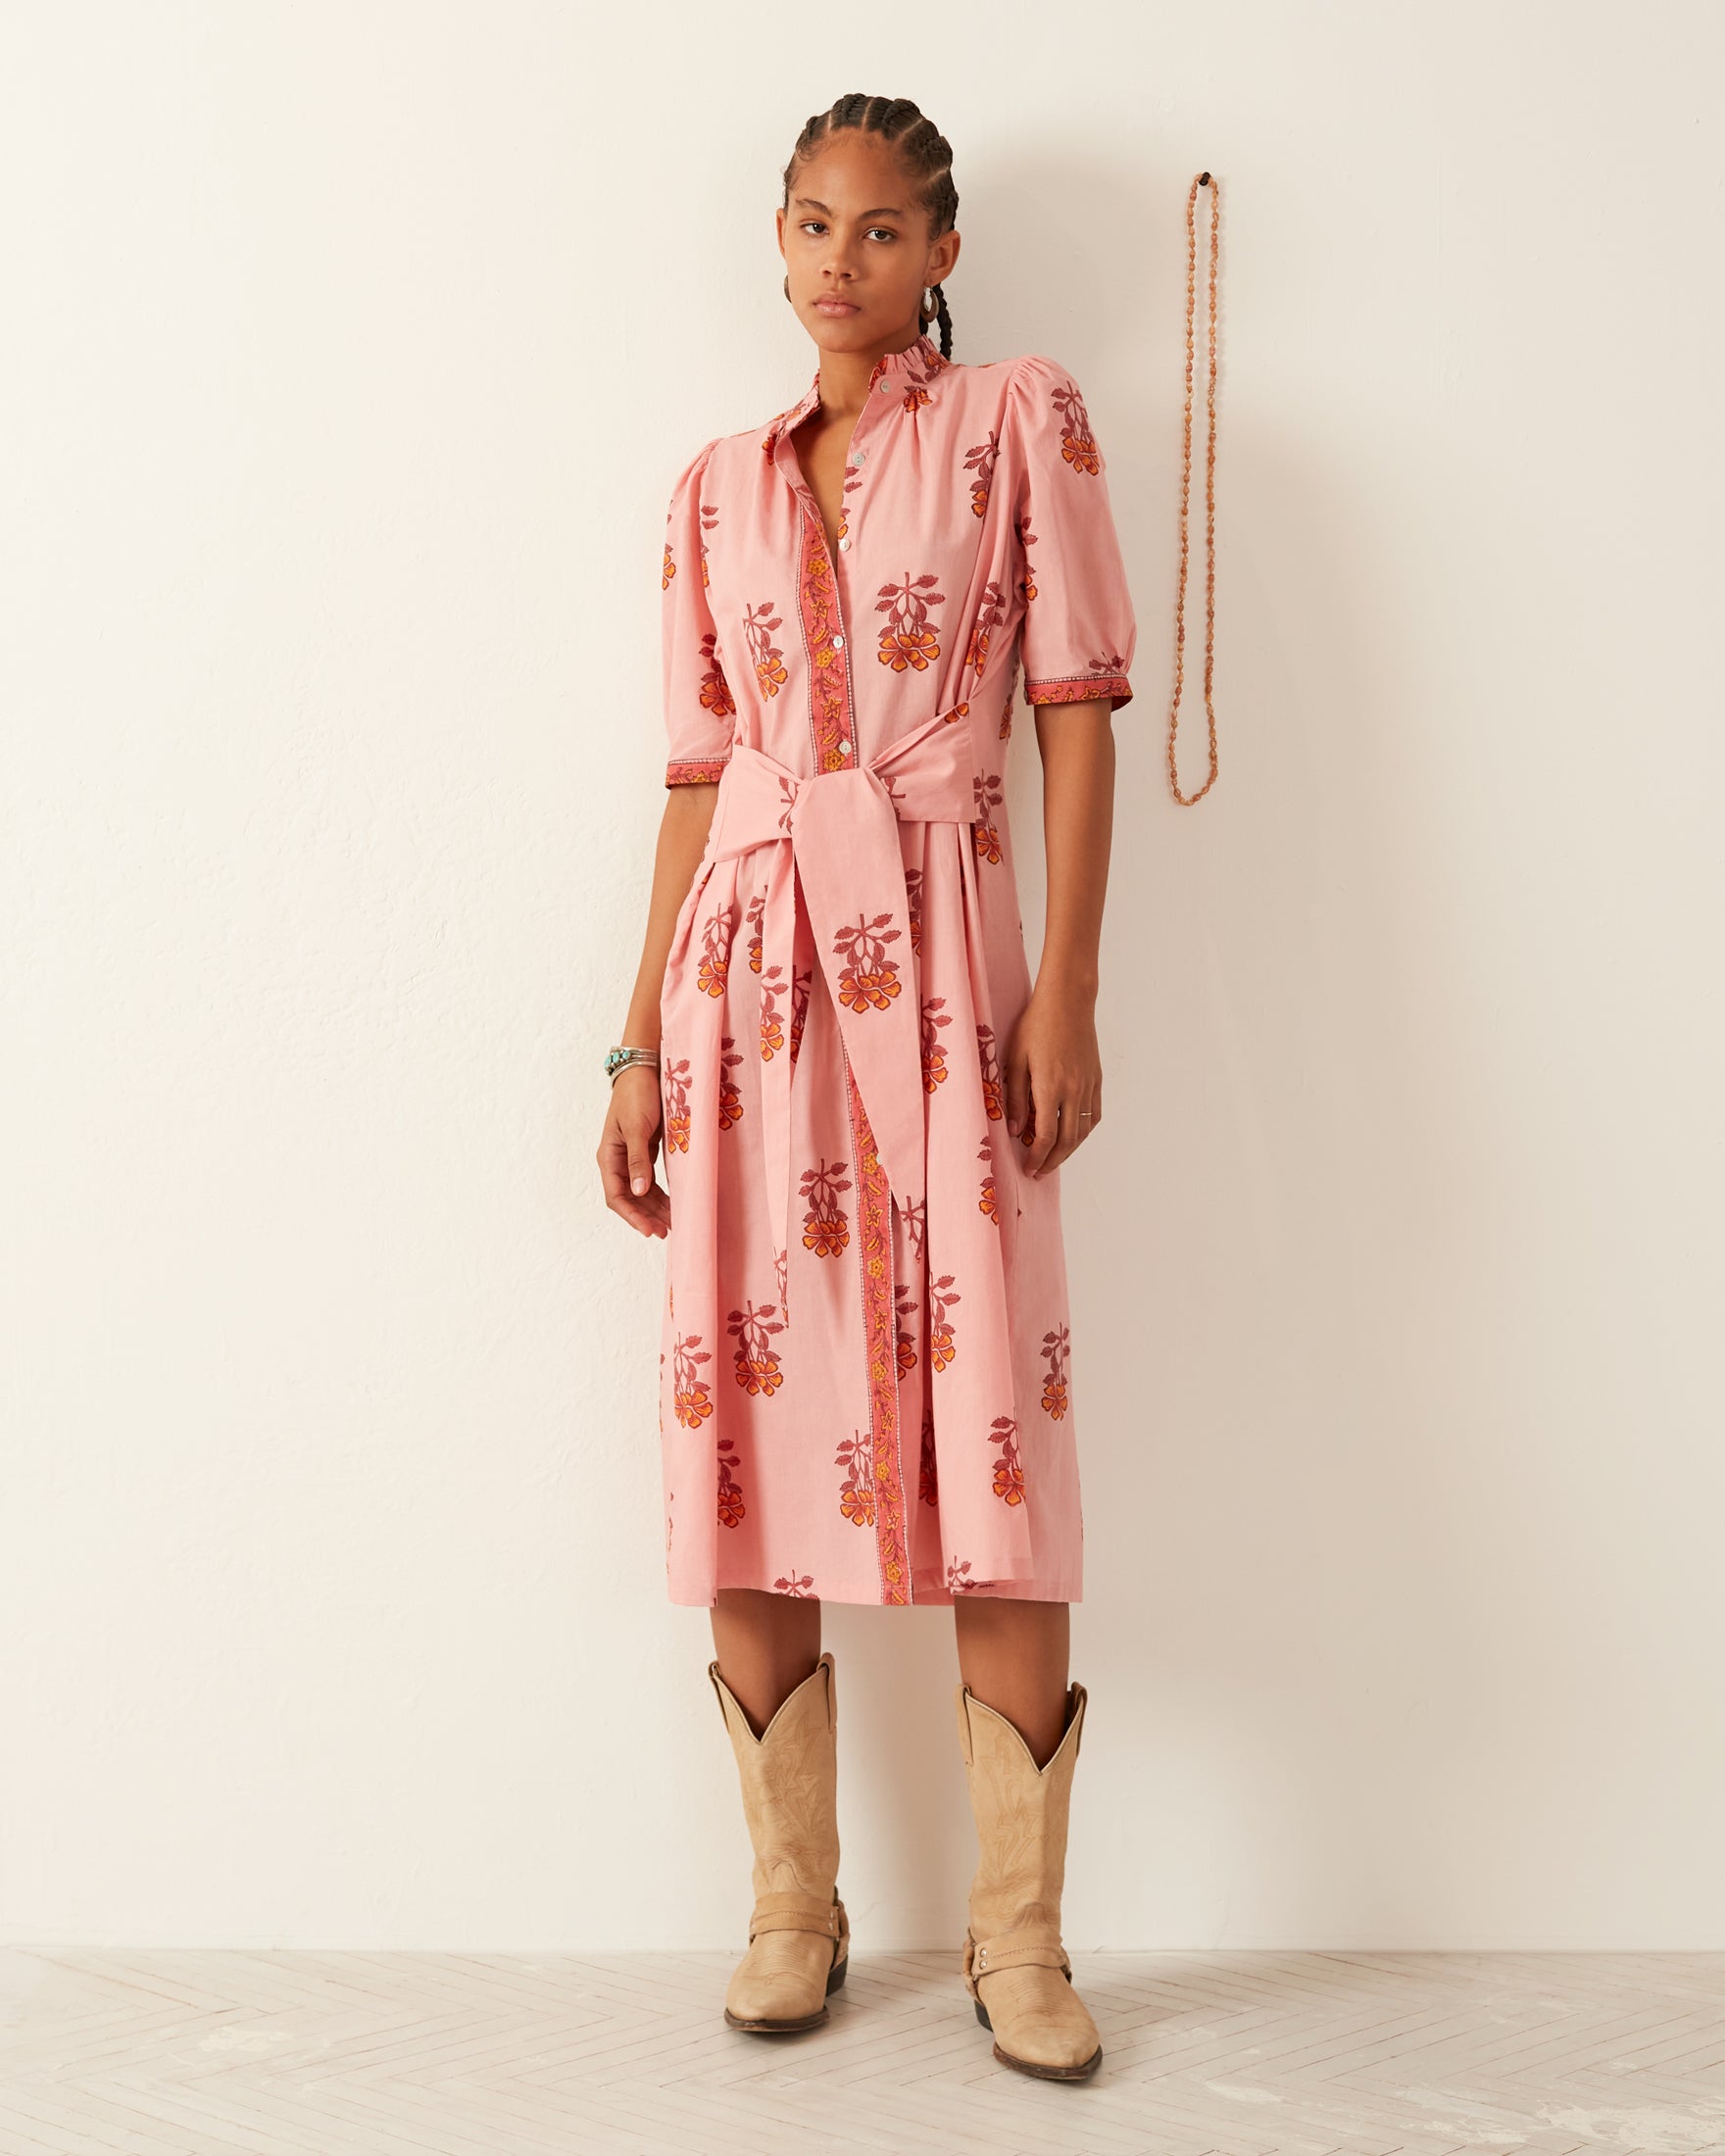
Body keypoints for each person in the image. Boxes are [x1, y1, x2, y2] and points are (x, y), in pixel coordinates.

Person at [598, 91, 1137, 2084]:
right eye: (811, 224)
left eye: (883, 229)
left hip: (944, 973)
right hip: (747, 988)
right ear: (778, 237)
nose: (841, 260)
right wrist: (638, 1038)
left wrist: (1064, 984)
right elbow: (691, 777)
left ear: (943, 251)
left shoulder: (1016, 422)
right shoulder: (711, 491)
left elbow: (1075, 710)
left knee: (988, 1424)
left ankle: (1019, 1939)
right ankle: (790, 1908)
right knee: (748, 1413)